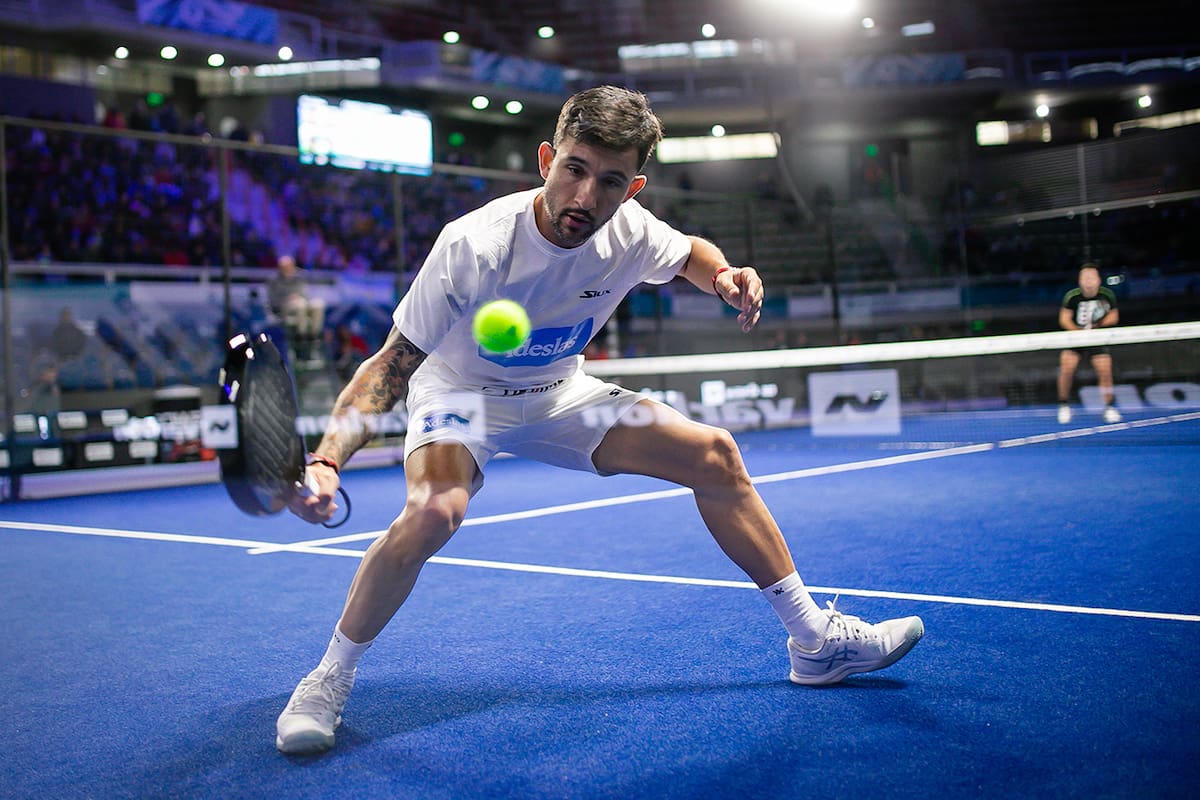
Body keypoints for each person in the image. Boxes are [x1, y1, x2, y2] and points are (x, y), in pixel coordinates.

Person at [275, 86, 925, 755]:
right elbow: (391, 366)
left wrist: (724, 276)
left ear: (632, 188)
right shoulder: (474, 245)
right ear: (546, 160)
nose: (585, 196)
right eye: (574, 170)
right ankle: (327, 679)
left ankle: (814, 642)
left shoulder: (629, 231)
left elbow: (688, 252)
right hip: (463, 395)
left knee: (715, 455)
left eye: (610, 181)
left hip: (559, 392)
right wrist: (325, 461)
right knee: (435, 510)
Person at [1057, 263, 1121, 424]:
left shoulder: (1107, 295)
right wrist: (1080, 333)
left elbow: (1114, 317)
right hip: (1075, 338)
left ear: (1098, 280)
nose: (1088, 281)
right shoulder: (1072, 296)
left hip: (1097, 338)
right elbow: (1064, 319)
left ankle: (1109, 407)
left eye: (1091, 277)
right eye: (1085, 277)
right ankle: (1063, 405)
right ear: (1080, 280)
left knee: (1105, 370)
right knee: (1066, 368)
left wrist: (1096, 328)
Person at [267, 254, 326, 358]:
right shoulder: (274, 281)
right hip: (283, 307)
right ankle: (301, 337)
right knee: (300, 305)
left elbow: (305, 295)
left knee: (318, 304)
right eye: (284, 267)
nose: (287, 269)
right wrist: (288, 299)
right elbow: (273, 301)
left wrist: (298, 297)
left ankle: (314, 336)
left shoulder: (299, 278)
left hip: (301, 302)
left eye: (289, 266)